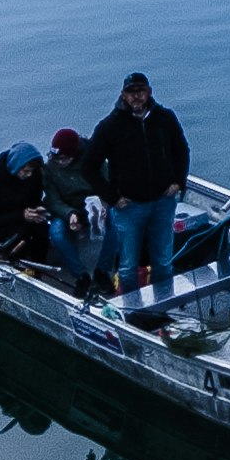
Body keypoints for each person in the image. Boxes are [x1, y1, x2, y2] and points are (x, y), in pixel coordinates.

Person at [84, 72, 190, 310]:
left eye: (141, 91)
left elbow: (182, 150)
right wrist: (112, 197)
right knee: (128, 266)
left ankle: (165, 309)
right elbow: (89, 166)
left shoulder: (165, 118)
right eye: (132, 92)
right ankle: (133, 314)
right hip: (129, 207)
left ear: (149, 92)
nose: (137, 97)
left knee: (163, 262)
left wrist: (178, 182)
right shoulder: (109, 127)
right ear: (123, 95)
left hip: (163, 202)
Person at [35, 127, 107, 286]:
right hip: (66, 210)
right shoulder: (50, 168)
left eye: (64, 159)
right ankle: (81, 275)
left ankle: (104, 271)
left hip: (93, 207)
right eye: (56, 158)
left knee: (117, 223)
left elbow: (108, 187)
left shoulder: (95, 161)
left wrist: (103, 206)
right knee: (57, 233)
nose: (59, 162)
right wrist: (70, 214)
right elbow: (52, 200)